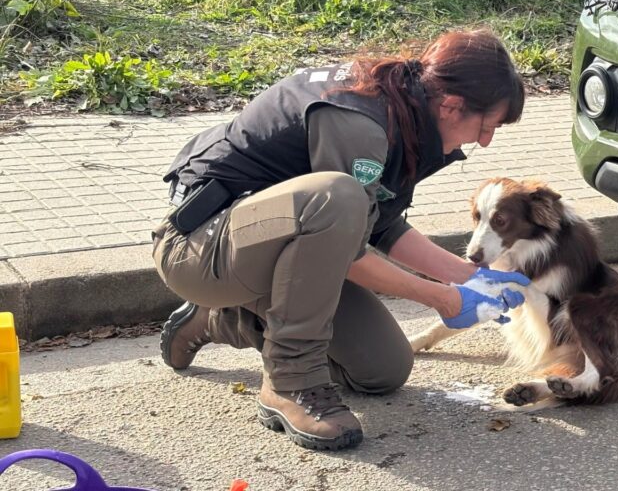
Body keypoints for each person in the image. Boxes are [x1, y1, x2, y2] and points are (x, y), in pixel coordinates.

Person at [151, 29, 530, 451]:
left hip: (270, 247)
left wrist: (467, 276)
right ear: (452, 105)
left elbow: (378, 224)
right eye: (486, 125)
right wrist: (444, 299)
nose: (485, 141)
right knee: (337, 195)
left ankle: (221, 319)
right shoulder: (360, 123)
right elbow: (343, 235)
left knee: (382, 369)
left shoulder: (405, 108)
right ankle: (290, 382)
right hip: (199, 248)